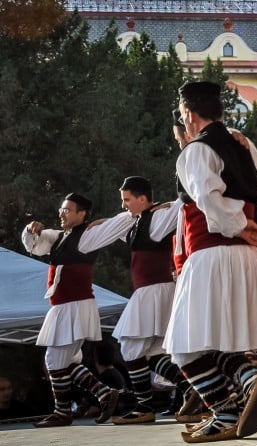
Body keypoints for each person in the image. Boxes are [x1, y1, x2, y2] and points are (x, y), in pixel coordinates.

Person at [163, 81, 257, 443]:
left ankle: (231, 403)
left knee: (184, 346)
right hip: (245, 258)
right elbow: (253, 191)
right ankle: (249, 384)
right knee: (219, 339)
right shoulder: (242, 145)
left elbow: (210, 201)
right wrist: (251, 227)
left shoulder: (196, 152)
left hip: (212, 254)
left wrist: (238, 227)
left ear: (188, 113)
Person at [80, 175, 193, 425]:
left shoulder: (159, 217)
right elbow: (107, 232)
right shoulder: (136, 222)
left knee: (130, 346)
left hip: (155, 290)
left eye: (127, 200)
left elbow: (184, 202)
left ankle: (144, 406)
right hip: (151, 291)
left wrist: (170, 203)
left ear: (143, 199)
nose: (123, 205)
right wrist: (101, 223)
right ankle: (191, 387)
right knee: (153, 352)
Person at [21, 192, 134, 428]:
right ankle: (103, 394)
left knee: (54, 359)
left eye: (67, 210)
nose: (62, 214)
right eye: (61, 209)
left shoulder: (87, 237)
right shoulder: (59, 237)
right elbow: (36, 245)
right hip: (63, 306)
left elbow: (121, 221)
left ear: (82, 214)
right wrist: (33, 228)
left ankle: (63, 411)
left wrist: (109, 220)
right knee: (67, 361)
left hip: (75, 305)